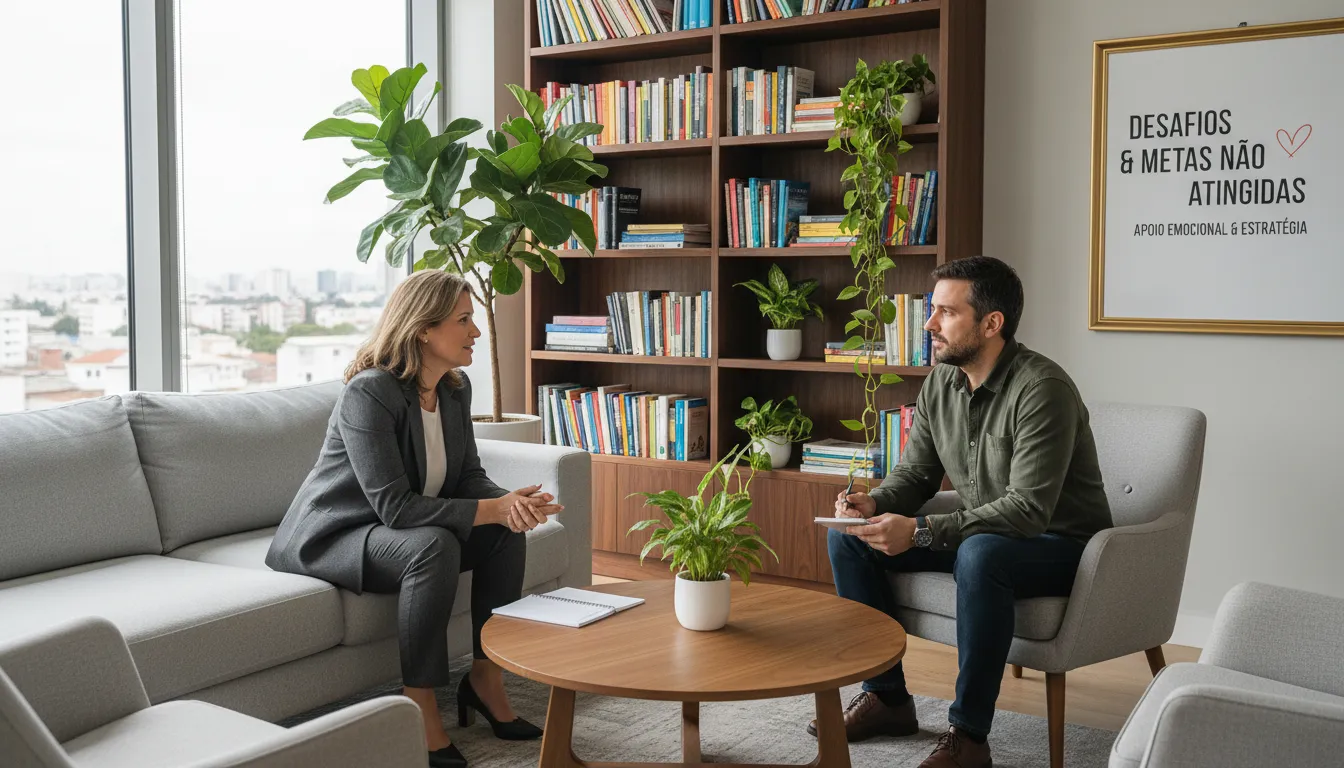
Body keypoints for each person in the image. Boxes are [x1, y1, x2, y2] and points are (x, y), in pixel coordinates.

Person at [811, 256, 1112, 768]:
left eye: (945, 313)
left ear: (991, 324)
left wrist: (923, 531)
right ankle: (887, 698)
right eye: (933, 311)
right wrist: (874, 504)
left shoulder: (1043, 391)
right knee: (848, 536)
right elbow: (916, 476)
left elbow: (1028, 511)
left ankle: (969, 737)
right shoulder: (941, 383)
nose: (929, 324)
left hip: (1066, 547)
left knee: (980, 555)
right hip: (988, 537)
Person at [266, 269, 559, 768]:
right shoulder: (370, 392)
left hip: (392, 532)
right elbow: (395, 508)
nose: (476, 332)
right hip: (334, 535)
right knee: (434, 544)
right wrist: (492, 508)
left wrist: (511, 503)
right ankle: (417, 700)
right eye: (464, 320)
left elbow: (468, 475)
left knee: (504, 531)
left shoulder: (453, 388)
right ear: (424, 328)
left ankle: (485, 679)